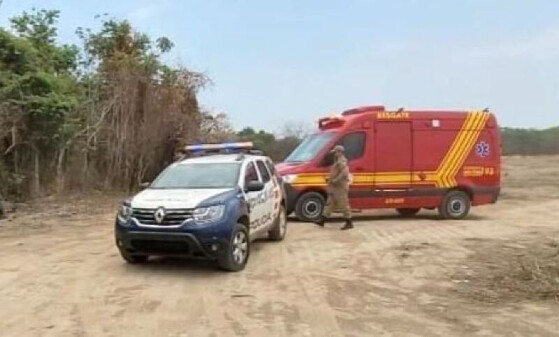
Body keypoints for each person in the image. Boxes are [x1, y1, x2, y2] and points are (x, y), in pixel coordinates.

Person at [314, 145, 353, 230]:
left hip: (340, 187)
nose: (334, 153)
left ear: (339, 152)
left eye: (335, 152)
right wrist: (330, 179)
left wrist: (335, 180)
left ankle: (349, 222)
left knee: (343, 204)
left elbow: (344, 173)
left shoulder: (342, 161)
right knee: (330, 203)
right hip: (334, 187)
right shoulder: (337, 161)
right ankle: (322, 220)